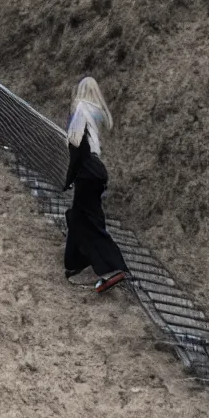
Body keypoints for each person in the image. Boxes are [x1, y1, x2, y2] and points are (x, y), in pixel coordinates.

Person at [63, 77, 131, 295]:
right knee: (79, 216)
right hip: (98, 170)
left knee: (88, 220)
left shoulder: (81, 108)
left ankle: (112, 267)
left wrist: (69, 177)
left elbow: (76, 144)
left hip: (87, 170)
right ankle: (74, 262)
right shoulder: (97, 112)